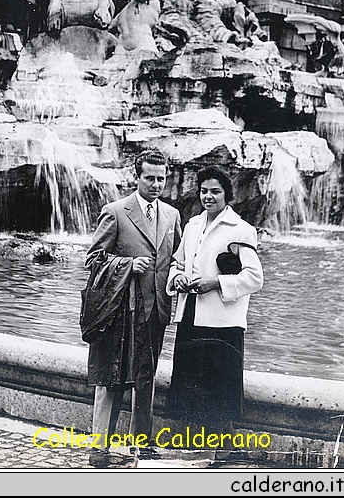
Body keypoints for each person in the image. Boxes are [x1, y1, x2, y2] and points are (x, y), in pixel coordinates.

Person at [85, 149, 182, 466]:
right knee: (112, 376)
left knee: (146, 377)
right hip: (120, 309)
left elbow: (177, 259)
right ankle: (99, 448)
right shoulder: (115, 212)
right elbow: (93, 259)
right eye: (150, 178)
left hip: (155, 310)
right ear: (136, 177)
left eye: (161, 178)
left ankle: (141, 444)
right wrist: (128, 264)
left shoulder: (171, 216)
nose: (156, 184)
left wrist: (180, 280)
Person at [167, 166, 263, 430]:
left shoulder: (241, 229)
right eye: (204, 191)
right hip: (190, 317)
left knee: (219, 396)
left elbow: (255, 278)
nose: (208, 197)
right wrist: (176, 277)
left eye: (215, 192)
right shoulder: (193, 225)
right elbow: (178, 262)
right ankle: (194, 452)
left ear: (226, 194)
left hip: (222, 324)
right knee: (190, 393)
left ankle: (221, 454)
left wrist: (216, 283)